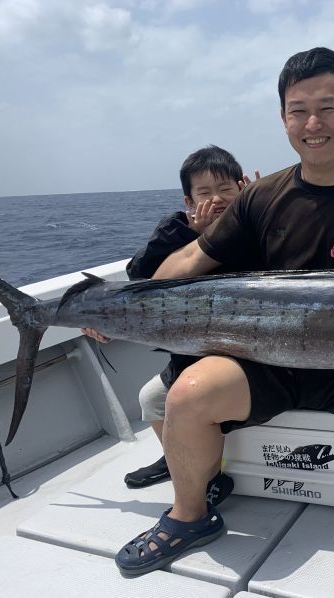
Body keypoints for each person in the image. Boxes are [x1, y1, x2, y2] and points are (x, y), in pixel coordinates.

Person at [114, 47, 334, 597]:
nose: (314, 124)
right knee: (186, 391)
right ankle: (190, 513)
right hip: (269, 363)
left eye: (328, 107)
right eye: (298, 110)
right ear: (284, 119)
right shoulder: (260, 198)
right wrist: (117, 305)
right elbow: (187, 266)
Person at [84, 145, 257, 509]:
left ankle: (200, 471)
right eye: (204, 193)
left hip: (240, 353)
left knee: (186, 398)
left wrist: (261, 210)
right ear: (189, 201)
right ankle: (178, 460)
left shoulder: (256, 224)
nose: (217, 200)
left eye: (226, 189)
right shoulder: (175, 230)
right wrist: (191, 236)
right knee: (151, 399)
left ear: (242, 188)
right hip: (188, 354)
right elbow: (140, 280)